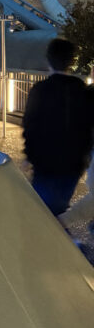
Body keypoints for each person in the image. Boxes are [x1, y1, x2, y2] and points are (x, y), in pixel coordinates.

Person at [22, 37, 94, 216]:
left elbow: (30, 126)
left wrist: (29, 155)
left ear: (48, 60)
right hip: (73, 164)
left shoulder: (40, 89)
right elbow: (87, 125)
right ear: (71, 62)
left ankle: (58, 231)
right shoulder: (81, 89)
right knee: (58, 207)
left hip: (45, 162)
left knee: (44, 212)